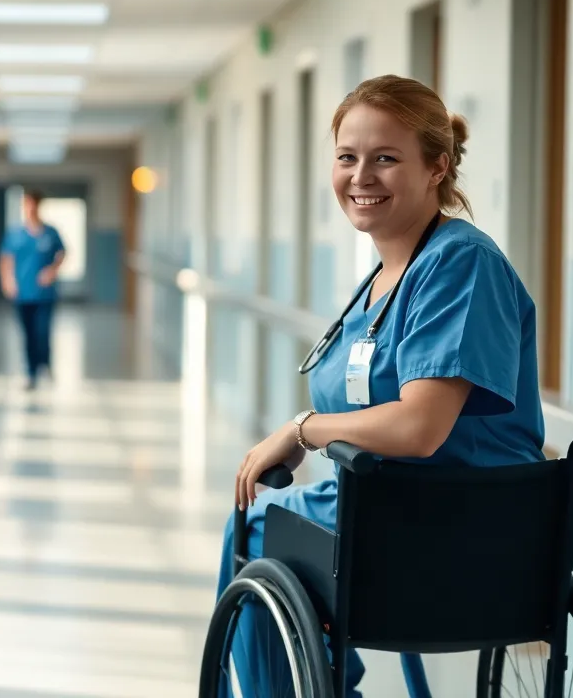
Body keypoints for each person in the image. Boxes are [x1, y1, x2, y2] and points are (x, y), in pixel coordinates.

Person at [216, 75, 546, 698]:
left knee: (256, 533)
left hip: (448, 527)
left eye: (386, 158)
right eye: (347, 157)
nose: (361, 176)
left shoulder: (459, 263)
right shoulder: (387, 274)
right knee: (259, 520)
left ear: (436, 167)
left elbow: (419, 428)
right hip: (394, 513)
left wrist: (302, 429)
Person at [0, 190, 66, 389]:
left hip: (45, 293)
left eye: (33, 204)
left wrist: (52, 271)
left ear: (39, 205)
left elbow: (62, 253)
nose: (30, 208)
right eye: (27, 204)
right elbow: (6, 258)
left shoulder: (50, 232)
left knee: (43, 332)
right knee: (28, 334)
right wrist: (7, 281)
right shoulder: (15, 233)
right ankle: (31, 372)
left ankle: (45, 363)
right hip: (22, 293)